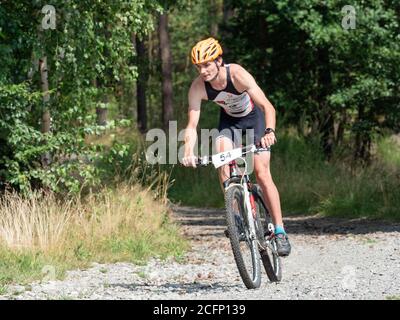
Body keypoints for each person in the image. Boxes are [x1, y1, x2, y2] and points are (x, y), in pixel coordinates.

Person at [182, 37, 291, 257]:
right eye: (199, 67)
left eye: (207, 65)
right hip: (230, 123)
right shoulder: (198, 87)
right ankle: (237, 218)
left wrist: (270, 132)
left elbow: (267, 106)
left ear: (219, 61)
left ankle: (280, 231)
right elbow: (192, 125)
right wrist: (187, 152)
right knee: (221, 160)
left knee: (261, 172)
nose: (203, 71)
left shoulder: (238, 75)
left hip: (255, 120)